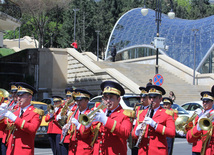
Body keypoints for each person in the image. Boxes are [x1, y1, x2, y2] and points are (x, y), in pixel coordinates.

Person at [0, 82, 44, 155]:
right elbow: (4, 128)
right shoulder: (15, 111)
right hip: (11, 150)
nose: (18, 98)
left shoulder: (35, 112)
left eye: (21, 96)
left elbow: (32, 128)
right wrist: (1, 118)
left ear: (30, 97)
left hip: (23, 151)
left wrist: (14, 118)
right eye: (18, 96)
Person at [90, 81, 133, 155]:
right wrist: (88, 125)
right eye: (105, 98)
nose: (108, 101)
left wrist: (105, 120)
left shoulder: (125, 114)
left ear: (118, 99)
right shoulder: (101, 112)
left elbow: (125, 133)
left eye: (111, 98)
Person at [132, 85, 176, 155]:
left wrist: (155, 125)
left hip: (158, 152)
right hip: (143, 151)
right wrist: (136, 132)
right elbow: (133, 134)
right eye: (150, 97)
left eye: (154, 97)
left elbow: (172, 133)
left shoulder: (167, 113)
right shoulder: (141, 113)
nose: (152, 100)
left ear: (160, 99)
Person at [62, 88, 93, 155]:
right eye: (77, 100)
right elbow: (71, 132)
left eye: (80, 100)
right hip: (73, 150)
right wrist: (65, 130)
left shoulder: (89, 115)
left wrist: (78, 124)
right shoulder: (73, 114)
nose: (78, 103)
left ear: (87, 101)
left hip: (84, 151)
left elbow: (85, 134)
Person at [186, 91, 214, 155]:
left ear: (212, 102)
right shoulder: (197, 115)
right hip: (196, 148)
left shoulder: (213, 115)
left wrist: (202, 117)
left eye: (207, 101)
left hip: (208, 150)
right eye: (203, 101)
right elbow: (190, 134)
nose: (205, 103)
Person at [130, 86, 149, 155]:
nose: (141, 100)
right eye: (141, 98)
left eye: (144, 98)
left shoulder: (150, 110)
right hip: (134, 137)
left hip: (143, 138)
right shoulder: (137, 108)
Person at [58, 87, 77, 155]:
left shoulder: (77, 108)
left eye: (70, 97)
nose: (68, 99)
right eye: (67, 97)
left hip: (72, 136)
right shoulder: (64, 108)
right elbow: (61, 122)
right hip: (64, 135)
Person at [1, 82, 19, 155]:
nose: (13, 95)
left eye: (15, 93)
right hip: (5, 134)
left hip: (13, 133)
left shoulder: (19, 105)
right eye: (12, 93)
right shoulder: (9, 103)